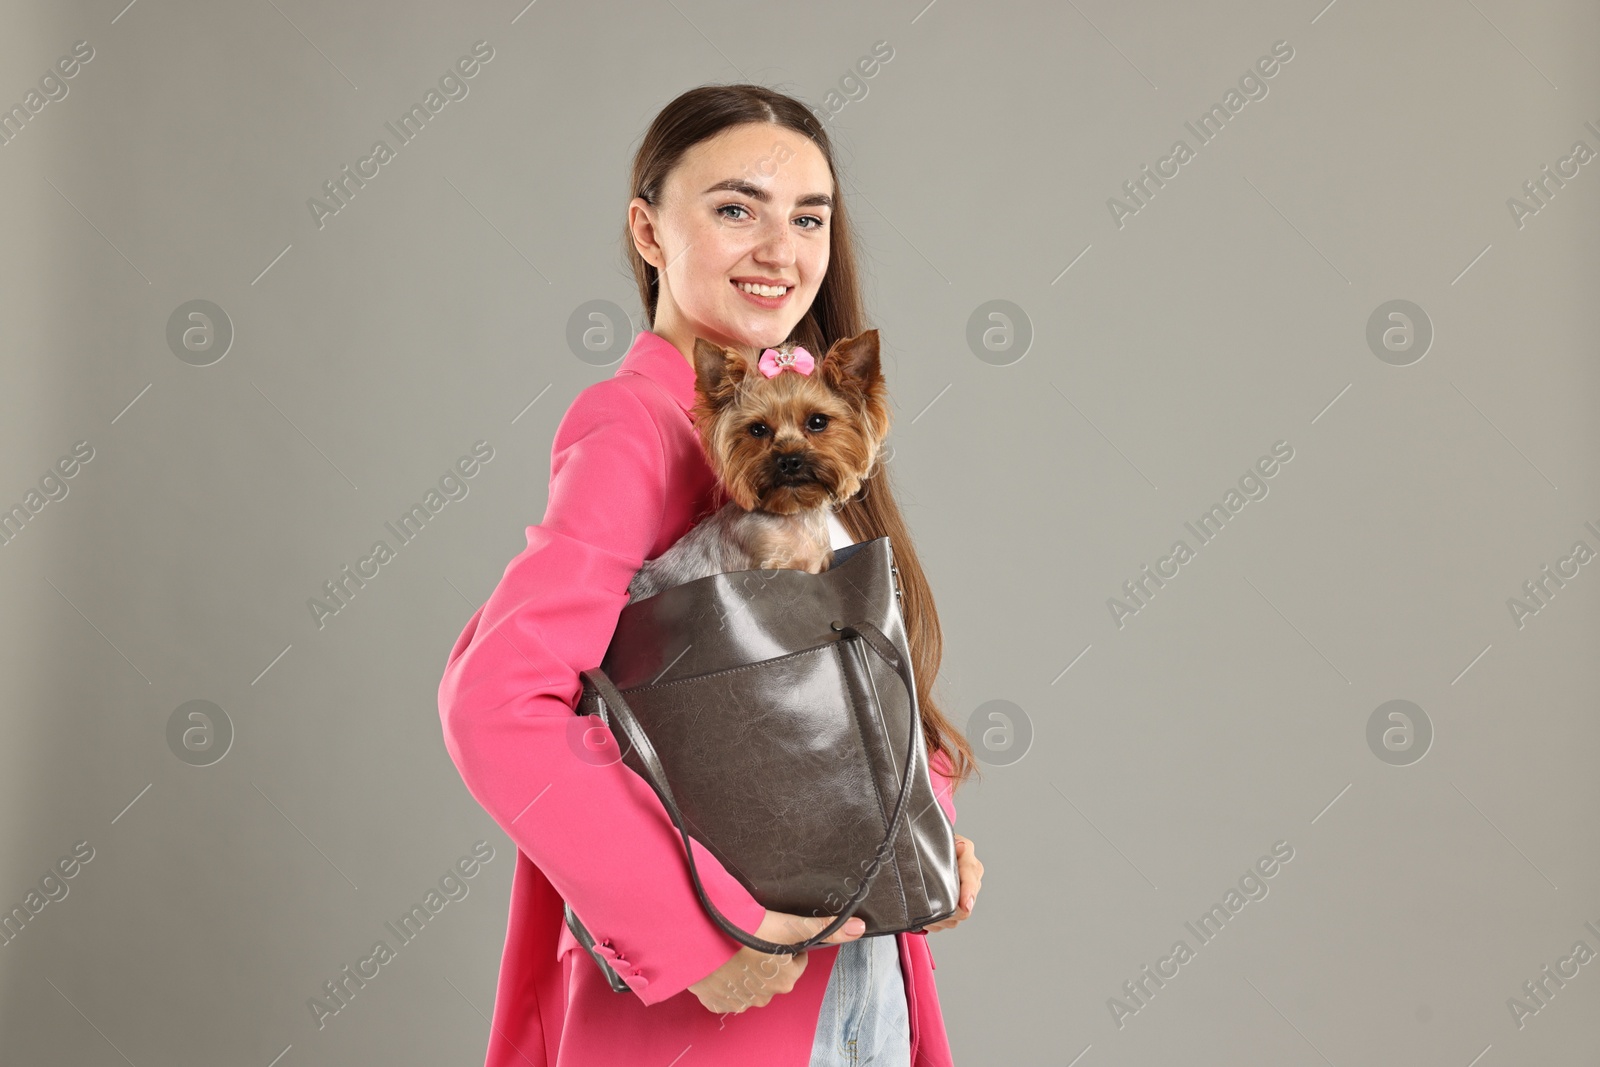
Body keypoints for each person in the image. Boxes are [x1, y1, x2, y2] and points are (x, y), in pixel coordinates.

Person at [437, 83, 984, 1067]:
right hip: (729, 1000)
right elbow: (496, 700)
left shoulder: (805, 418)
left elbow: (843, 677)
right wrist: (689, 933)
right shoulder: (633, 429)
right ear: (647, 231)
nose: (781, 248)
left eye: (807, 217)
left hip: (858, 971)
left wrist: (925, 827)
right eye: (737, 208)